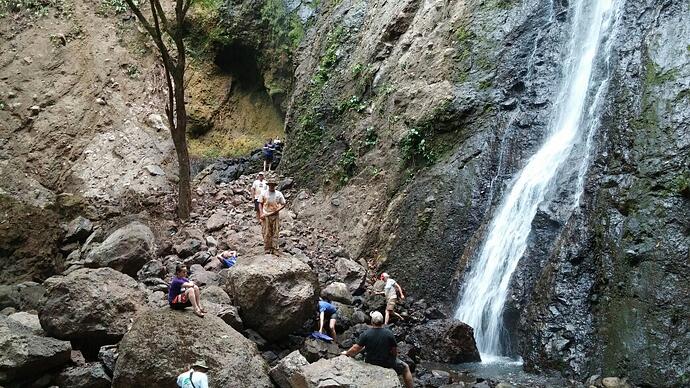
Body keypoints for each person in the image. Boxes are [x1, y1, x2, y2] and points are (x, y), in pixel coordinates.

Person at [341, 311, 413, 388]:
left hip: (371, 361)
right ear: (382, 322)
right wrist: (393, 358)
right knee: (405, 367)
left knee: (359, 356)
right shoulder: (389, 333)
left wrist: (347, 353)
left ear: (372, 321)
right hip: (386, 362)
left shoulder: (366, 334)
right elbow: (394, 351)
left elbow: (355, 348)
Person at [258, 179, 285, 254]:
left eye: (273, 185)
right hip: (266, 214)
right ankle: (267, 248)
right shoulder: (264, 193)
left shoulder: (278, 194)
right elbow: (260, 203)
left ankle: (275, 248)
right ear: (268, 185)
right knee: (266, 232)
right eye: (270, 185)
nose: (271, 186)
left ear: (275, 186)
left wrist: (277, 210)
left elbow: (283, 203)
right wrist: (261, 213)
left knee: (275, 232)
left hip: (275, 215)